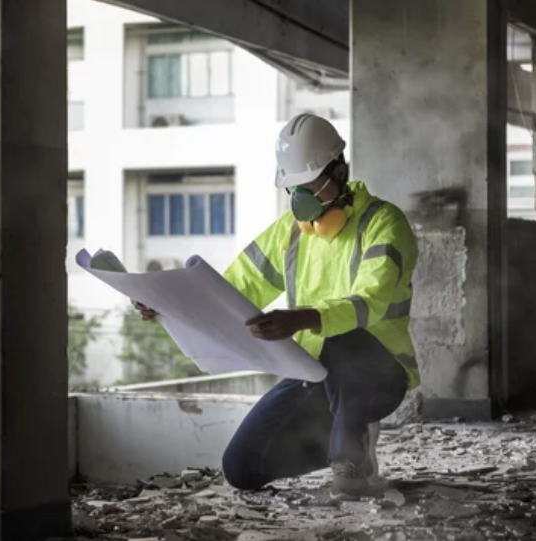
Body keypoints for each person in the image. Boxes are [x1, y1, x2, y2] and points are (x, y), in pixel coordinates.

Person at [132, 113, 419, 499]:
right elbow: (227, 291)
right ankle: (345, 440)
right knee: (242, 467)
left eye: (310, 184)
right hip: (312, 373)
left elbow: (370, 300)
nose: (301, 198)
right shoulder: (289, 235)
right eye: (294, 187)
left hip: (377, 373)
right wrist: (165, 304)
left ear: (340, 171)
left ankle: (350, 460)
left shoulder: (384, 223)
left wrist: (305, 318)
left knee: (343, 337)